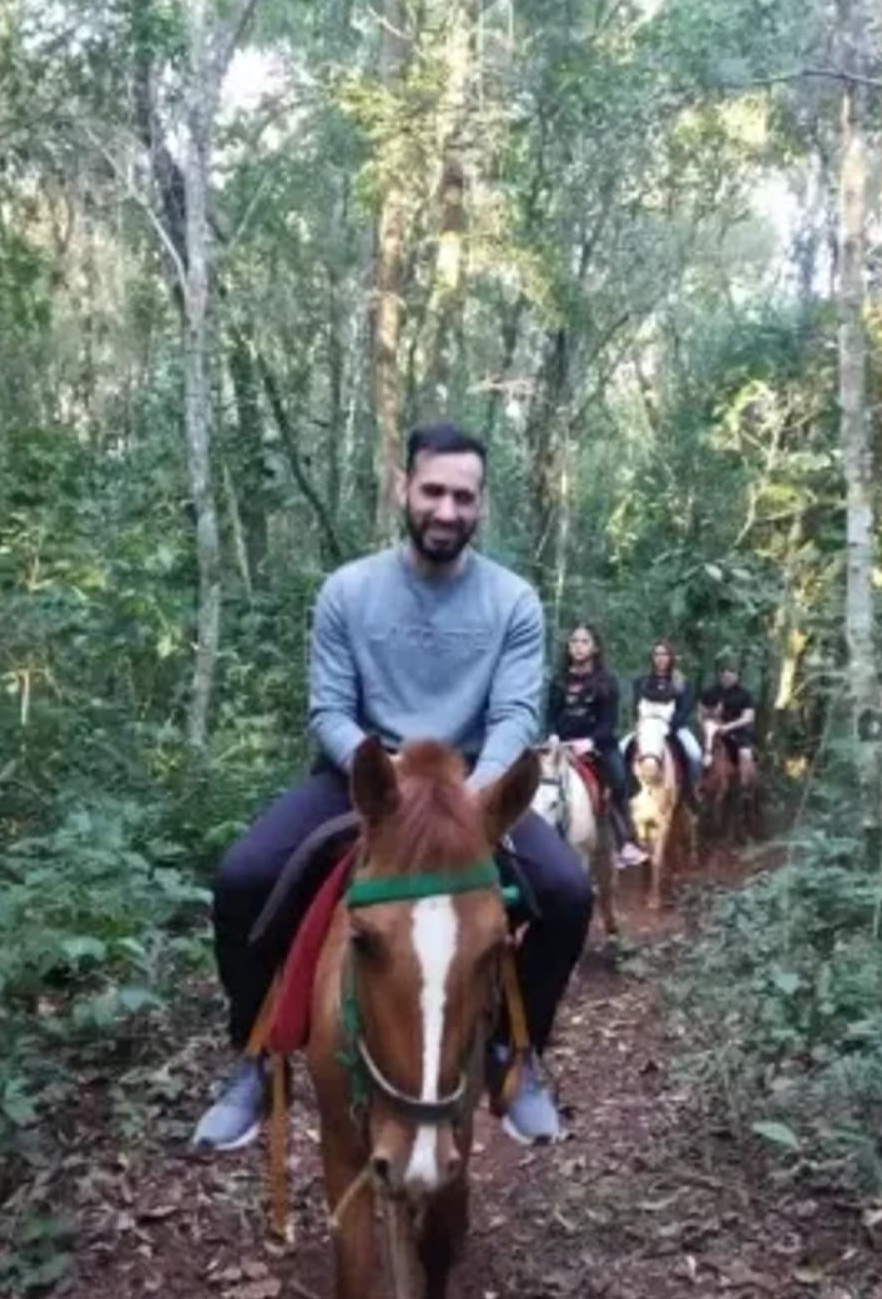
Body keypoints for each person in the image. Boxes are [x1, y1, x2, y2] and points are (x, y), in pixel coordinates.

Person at [193, 420, 592, 1152]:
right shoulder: (348, 590)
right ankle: (254, 1058)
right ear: (402, 487)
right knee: (244, 878)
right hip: (362, 782)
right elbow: (329, 711)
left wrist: (472, 799)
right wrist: (385, 788)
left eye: (463, 497)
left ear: (481, 505)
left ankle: (515, 1049)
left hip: (470, 786)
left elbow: (514, 712)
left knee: (567, 894)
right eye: (433, 490)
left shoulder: (514, 601)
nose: (446, 510)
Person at [545, 624, 648, 869]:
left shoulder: (607, 681)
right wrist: (551, 735)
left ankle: (626, 842)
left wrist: (590, 741)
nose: (578, 646)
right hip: (562, 744)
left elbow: (609, 721)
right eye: (574, 641)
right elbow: (551, 715)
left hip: (597, 744)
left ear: (595, 647)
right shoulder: (559, 681)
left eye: (584, 641)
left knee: (618, 778)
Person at [631, 640, 702, 800]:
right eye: (657, 654)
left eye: (664, 654)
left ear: (671, 657)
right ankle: (622, 797)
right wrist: (642, 725)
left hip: (674, 728)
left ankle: (691, 792)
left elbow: (684, 710)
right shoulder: (641, 682)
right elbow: (635, 708)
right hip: (646, 728)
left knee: (695, 755)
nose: (660, 658)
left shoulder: (683, 683)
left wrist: (668, 726)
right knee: (622, 749)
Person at [699, 658, 758, 785]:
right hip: (712, 731)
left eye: (731, 671)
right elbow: (701, 712)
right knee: (692, 751)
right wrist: (706, 722)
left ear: (737, 675)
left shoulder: (745, 694)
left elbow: (748, 717)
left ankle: (744, 787)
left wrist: (728, 726)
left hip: (737, 732)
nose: (727, 674)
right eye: (724, 671)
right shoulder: (710, 692)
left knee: (745, 754)